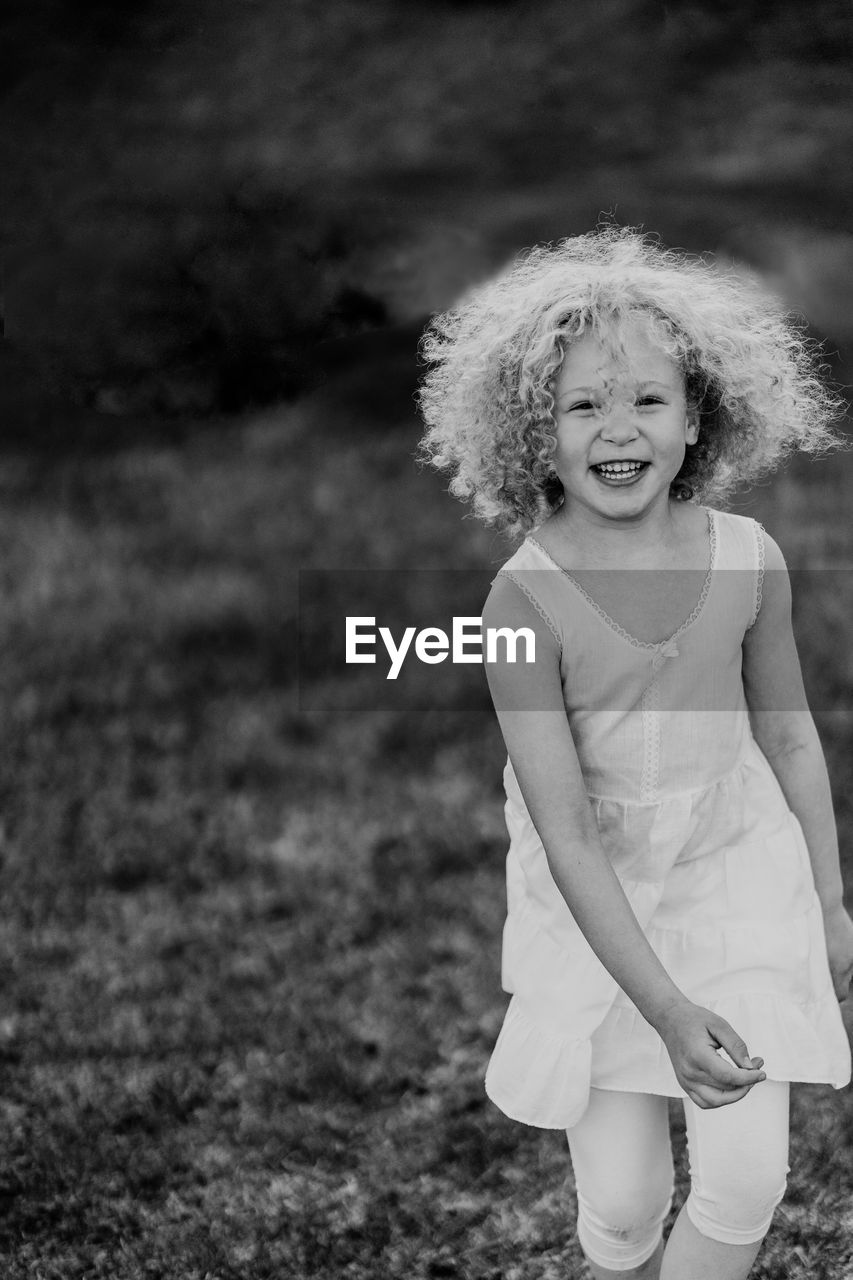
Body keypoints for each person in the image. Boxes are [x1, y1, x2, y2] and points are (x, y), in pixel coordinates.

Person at [416, 226, 853, 1280]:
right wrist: (662, 1008)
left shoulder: (748, 559)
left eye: (647, 400)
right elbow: (563, 823)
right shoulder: (521, 601)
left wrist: (827, 900)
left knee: (746, 1184)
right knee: (622, 1201)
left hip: (736, 872)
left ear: (695, 415)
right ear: (539, 431)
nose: (619, 429)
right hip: (596, 903)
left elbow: (789, 734)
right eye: (583, 405)